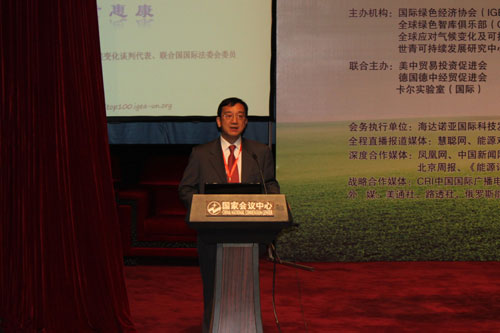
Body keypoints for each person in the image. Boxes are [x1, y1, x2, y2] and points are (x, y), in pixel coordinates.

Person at [178, 97, 279, 332]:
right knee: (213, 289)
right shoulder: (201, 153)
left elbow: (270, 184)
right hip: (212, 234)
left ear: (246, 122)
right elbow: (185, 189)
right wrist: (204, 209)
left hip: (249, 233)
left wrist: (272, 203)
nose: (235, 120)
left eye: (240, 116)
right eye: (228, 115)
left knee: (245, 287)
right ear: (218, 121)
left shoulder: (260, 152)